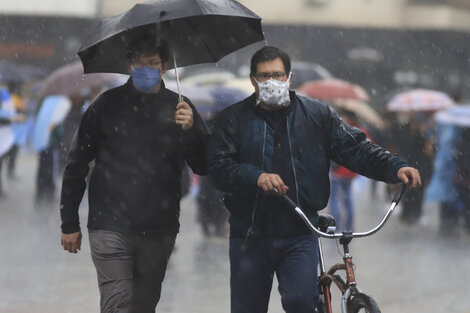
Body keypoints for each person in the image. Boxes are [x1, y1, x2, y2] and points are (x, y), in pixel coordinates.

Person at [207, 46, 421, 313]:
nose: (271, 82)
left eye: (277, 74)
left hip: (300, 231)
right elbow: (217, 167)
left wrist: (395, 167)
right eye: (263, 76)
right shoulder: (233, 119)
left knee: (302, 302)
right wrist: (256, 176)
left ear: (289, 77)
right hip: (250, 234)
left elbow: (356, 148)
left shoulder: (317, 115)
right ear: (253, 80)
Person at [59, 35, 209, 313]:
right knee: (118, 304)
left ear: (164, 67)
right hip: (109, 223)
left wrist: (193, 131)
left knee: (143, 305)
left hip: (158, 228)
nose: (145, 69)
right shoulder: (106, 105)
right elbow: (77, 163)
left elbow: (204, 165)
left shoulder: (181, 108)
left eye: (152, 63)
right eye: (138, 63)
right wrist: (69, 222)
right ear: (128, 65)